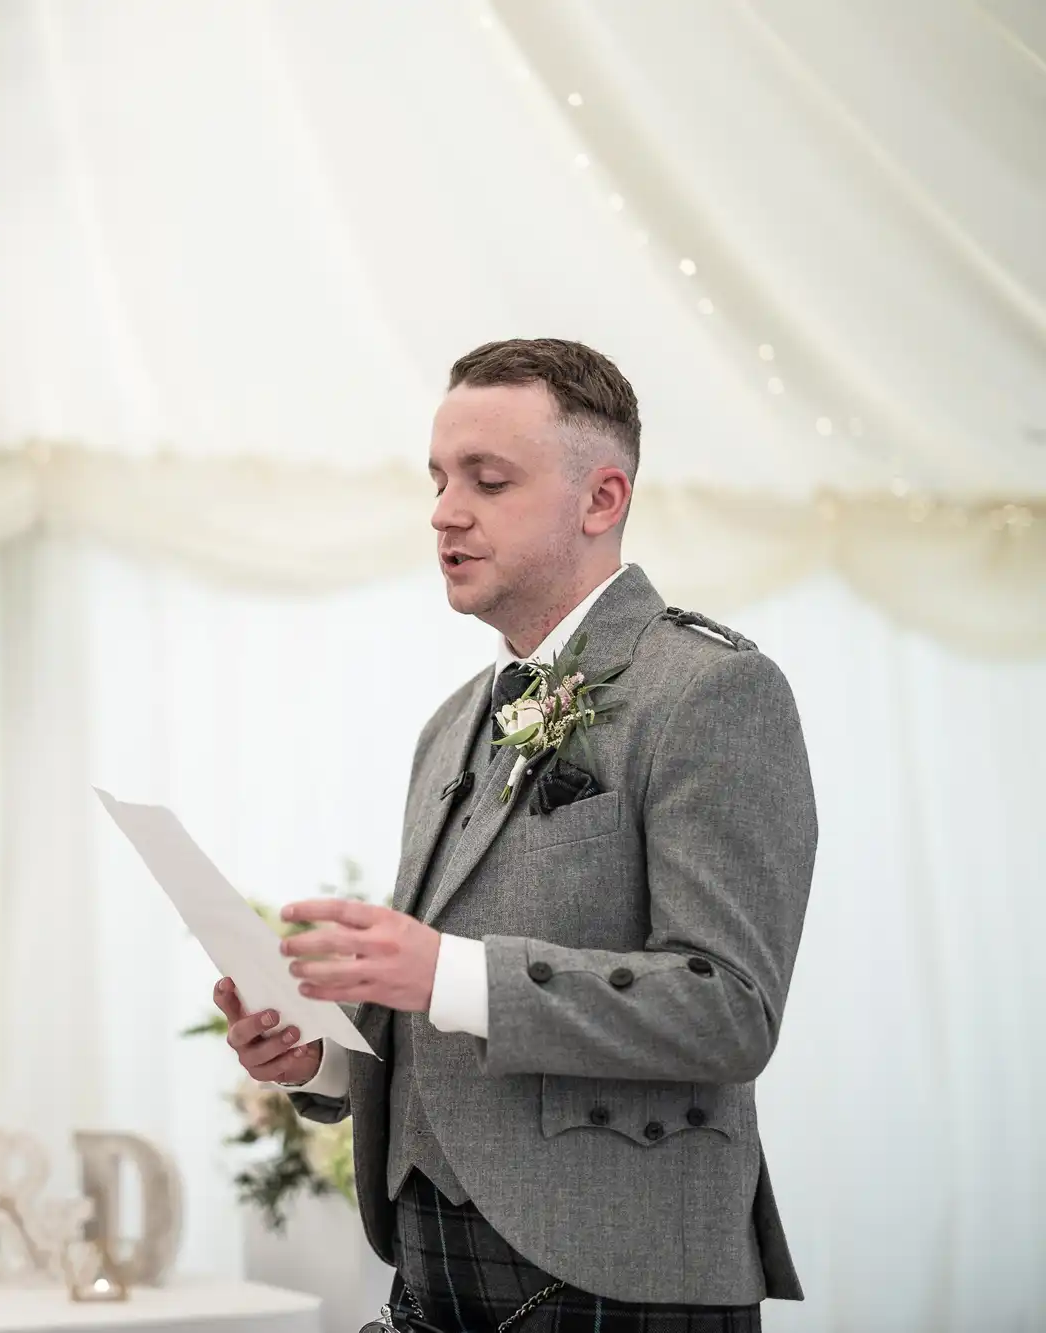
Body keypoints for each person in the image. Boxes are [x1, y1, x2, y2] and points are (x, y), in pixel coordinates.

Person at [213, 339, 816, 1331]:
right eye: (439, 478)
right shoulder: (451, 720)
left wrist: (444, 971)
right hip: (427, 1276)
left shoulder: (711, 691)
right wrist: (314, 1056)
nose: (445, 510)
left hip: (617, 1283)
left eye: (487, 480)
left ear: (600, 498)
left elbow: (729, 1009)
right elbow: (425, 1011)